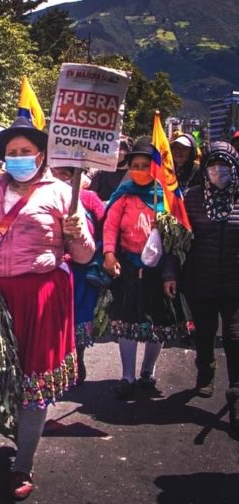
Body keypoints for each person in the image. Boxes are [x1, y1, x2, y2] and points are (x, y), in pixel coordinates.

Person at [0, 117, 93, 499]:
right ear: (3, 158)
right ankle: (21, 432)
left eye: (26, 152)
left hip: (42, 297)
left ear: (41, 155)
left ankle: (22, 463)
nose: (20, 158)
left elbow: (84, 255)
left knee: (32, 381)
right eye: (13, 153)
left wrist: (78, 232)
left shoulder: (62, 194)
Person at [103, 136, 187, 401]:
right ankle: (127, 376)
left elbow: (177, 238)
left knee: (157, 324)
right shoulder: (124, 194)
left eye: (145, 165)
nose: (139, 170)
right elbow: (110, 226)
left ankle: (147, 372)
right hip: (129, 268)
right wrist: (108, 254)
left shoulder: (169, 198)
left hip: (159, 272)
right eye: (135, 165)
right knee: (126, 323)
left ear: (155, 168)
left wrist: (170, 271)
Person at [165, 141, 239, 433]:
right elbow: (176, 241)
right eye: (212, 165)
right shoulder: (191, 199)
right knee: (205, 332)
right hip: (199, 281)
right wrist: (169, 274)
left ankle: (235, 394)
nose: (218, 171)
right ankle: (205, 368)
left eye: (224, 165)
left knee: (234, 336)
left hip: (235, 282)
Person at [50, 166, 106, 384]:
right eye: (54, 173)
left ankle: (77, 360)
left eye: (65, 174)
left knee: (80, 316)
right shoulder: (41, 196)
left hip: (81, 270)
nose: (59, 178)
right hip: (53, 269)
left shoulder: (89, 199)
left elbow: (106, 225)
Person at [89, 135, 132, 201]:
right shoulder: (100, 172)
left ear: (128, 152)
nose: (115, 151)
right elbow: (91, 196)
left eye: (119, 148)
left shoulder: (133, 176)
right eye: (113, 147)